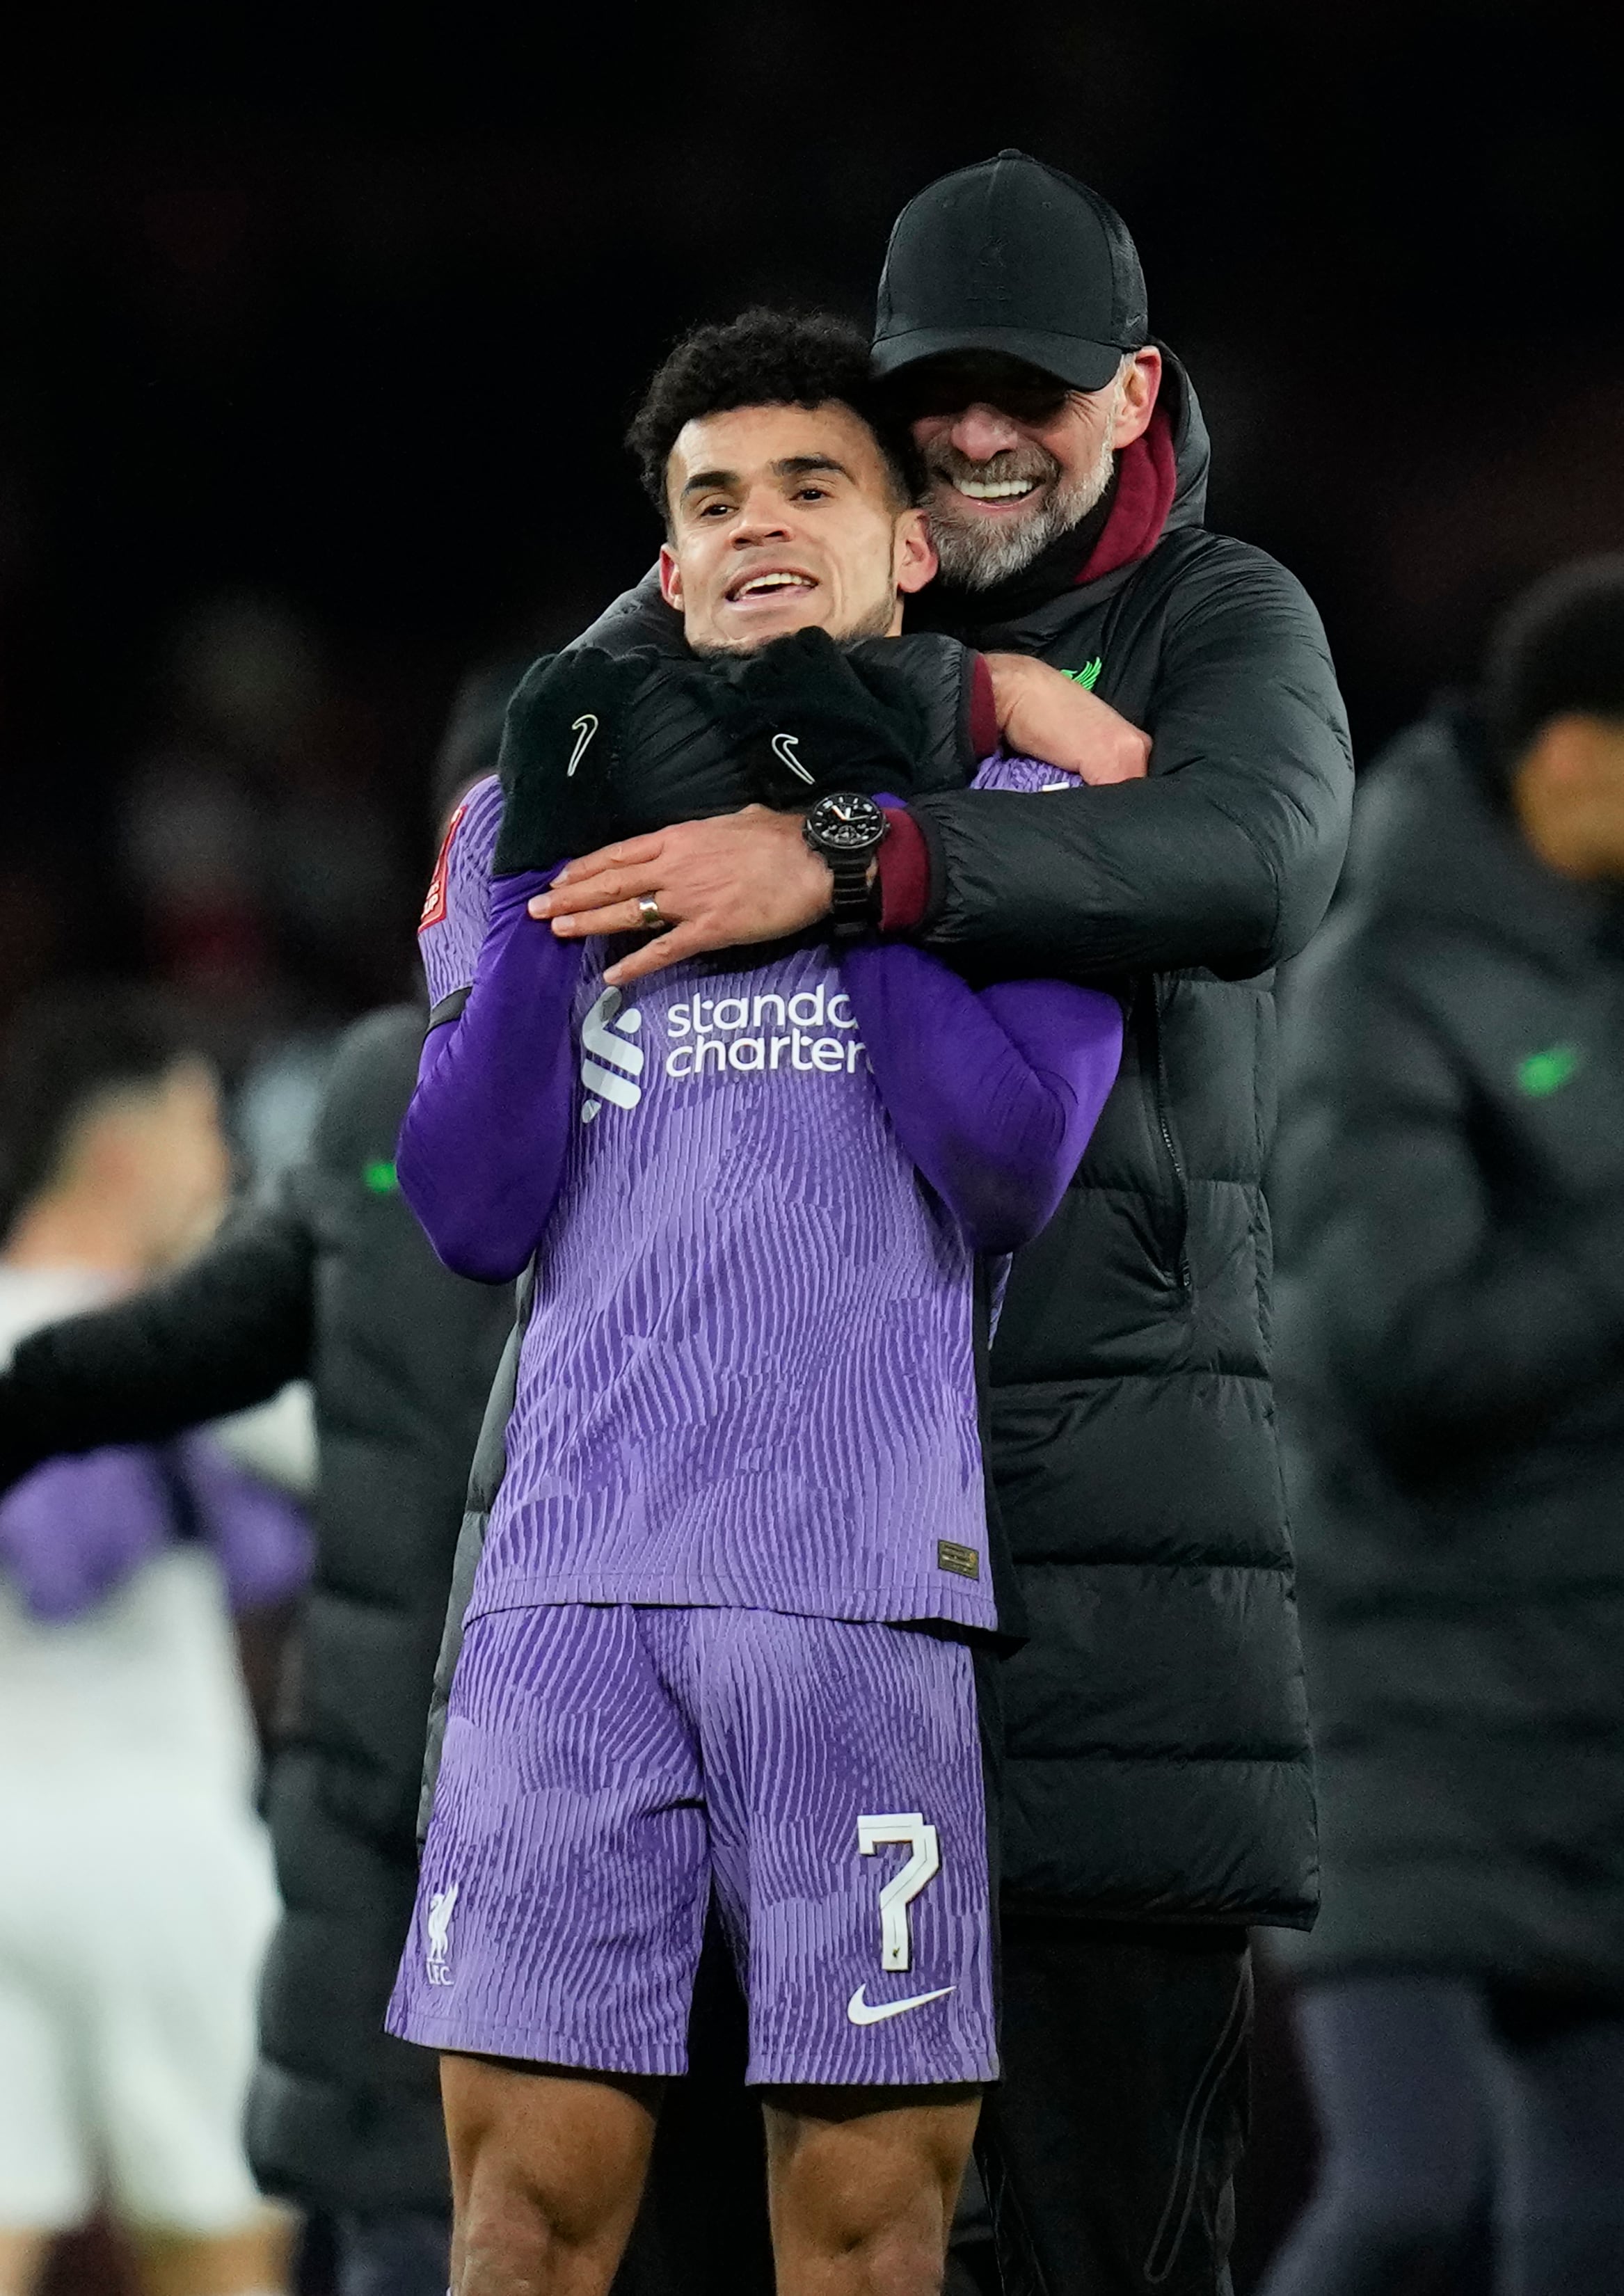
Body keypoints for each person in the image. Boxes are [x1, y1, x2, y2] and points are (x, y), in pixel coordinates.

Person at [505, 153, 1354, 2295]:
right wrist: (960, 712)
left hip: (1091, 1597)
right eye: (936, 395)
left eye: (1034, 392)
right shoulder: (804, 590)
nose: (979, 435)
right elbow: (558, 746)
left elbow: (1241, 857)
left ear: (1135, 390)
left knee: (1097, 2260)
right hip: (744, 1581)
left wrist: (855, 855)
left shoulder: (1215, 619)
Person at [385, 310, 1127, 2296]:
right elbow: (461, 1206)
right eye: (710, 499)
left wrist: (851, 845)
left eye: (812, 484)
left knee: (869, 2238)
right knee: (520, 2225)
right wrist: (546, 876)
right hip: (568, 1597)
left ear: (908, 551)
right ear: (669, 564)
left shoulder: (1030, 837)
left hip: (859, 1586)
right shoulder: (518, 825)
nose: (757, 524)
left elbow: (1000, 1167)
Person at [0, 680, 774, 2296]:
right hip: (448, 1858)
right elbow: (199, 1335)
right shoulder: (395, 1103)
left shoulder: (759, 1080)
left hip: (588, 1853)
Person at [1261, 557, 1624, 2296]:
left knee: (1591, 2223)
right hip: (1407, 1700)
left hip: (1588, 1693)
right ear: (1573, 755)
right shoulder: (1379, 986)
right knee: (1414, 2193)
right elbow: (1390, 1353)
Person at [0, 987, 310, 2296]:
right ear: (123, 1150)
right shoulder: (192, 1356)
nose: (226, 1161)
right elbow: (342, 1465)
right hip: (167, 1855)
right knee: (217, 2263)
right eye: (202, 1123)